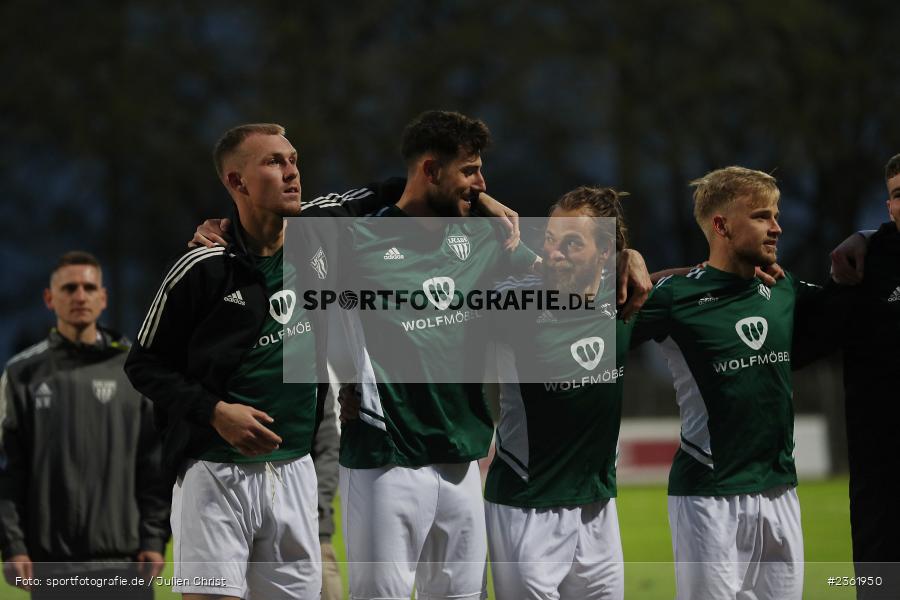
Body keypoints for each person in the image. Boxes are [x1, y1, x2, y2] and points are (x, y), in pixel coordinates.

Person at [125, 123, 404, 599]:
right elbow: (144, 365)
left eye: (293, 159)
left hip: (296, 471)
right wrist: (215, 412)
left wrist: (484, 203)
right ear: (236, 183)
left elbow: (399, 188)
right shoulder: (201, 267)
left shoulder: (318, 228)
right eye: (274, 162)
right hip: (215, 473)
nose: (292, 172)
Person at [630, 166, 832, 600]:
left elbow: (859, 311)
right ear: (720, 225)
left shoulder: (782, 288)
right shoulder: (673, 298)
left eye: (775, 215)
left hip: (780, 489)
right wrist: (628, 263)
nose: (777, 227)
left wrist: (866, 240)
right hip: (710, 494)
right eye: (761, 216)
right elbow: (587, 324)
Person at [484, 186, 631, 600]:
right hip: (526, 505)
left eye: (571, 243)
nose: (554, 253)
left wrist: (634, 260)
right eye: (549, 239)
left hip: (599, 508)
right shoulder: (513, 303)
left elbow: (695, 284)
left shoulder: (625, 300)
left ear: (604, 254)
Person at [0, 251, 169, 599]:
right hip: (52, 566)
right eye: (70, 288)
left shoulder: (134, 370)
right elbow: (8, 471)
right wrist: (14, 544)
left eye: (89, 287)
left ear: (103, 297)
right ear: (49, 298)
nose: (80, 296)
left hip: (126, 562)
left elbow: (155, 465)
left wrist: (153, 538)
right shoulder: (22, 374)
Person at [822, 154, 900, 599]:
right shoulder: (862, 269)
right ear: (888, 206)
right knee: (880, 588)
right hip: (883, 483)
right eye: (898, 195)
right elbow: (803, 340)